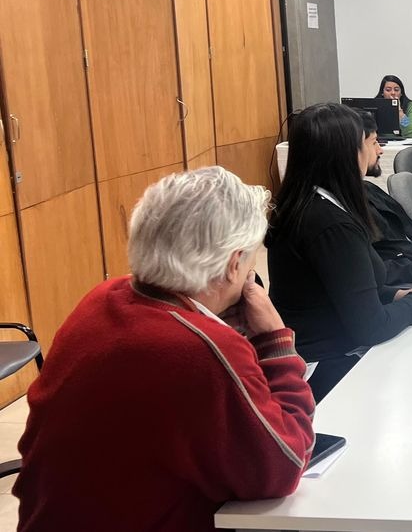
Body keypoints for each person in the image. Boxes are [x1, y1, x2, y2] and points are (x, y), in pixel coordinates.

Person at [15, 167, 315, 531]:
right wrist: (274, 340)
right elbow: (285, 464)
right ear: (234, 265)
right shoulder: (201, 349)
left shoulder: (102, 298)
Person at [267, 103, 412, 402]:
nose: (377, 150)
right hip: (328, 365)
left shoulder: (309, 204)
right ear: (347, 153)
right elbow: (371, 327)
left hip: (322, 348)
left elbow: (347, 290)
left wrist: (402, 295)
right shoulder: (331, 224)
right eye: (371, 142)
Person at [359, 110, 412, 285]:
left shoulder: (368, 190)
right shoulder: (346, 208)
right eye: (374, 142)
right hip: (407, 280)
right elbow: (371, 276)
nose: (380, 150)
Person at [376, 74, 412, 139]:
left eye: (396, 90)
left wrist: (399, 111)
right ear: (382, 92)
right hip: (381, 142)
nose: (393, 93)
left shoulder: (411, 106)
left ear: (401, 93)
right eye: (388, 90)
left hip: (405, 143)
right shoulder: (375, 106)